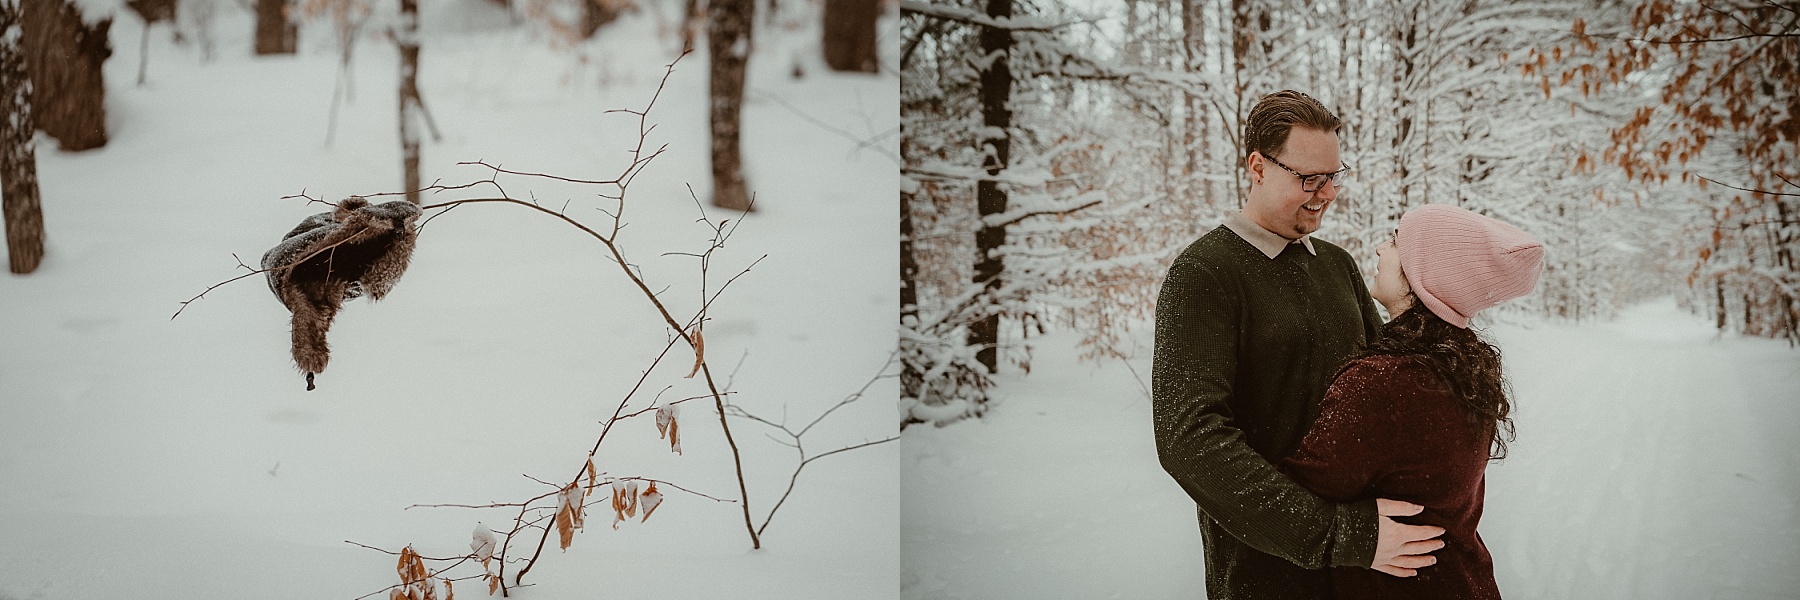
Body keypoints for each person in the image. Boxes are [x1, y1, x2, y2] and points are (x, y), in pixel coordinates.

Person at [1152, 90, 1446, 599]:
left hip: (1362, 574)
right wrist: (1337, 533)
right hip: (1266, 574)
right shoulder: (1204, 274)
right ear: (1258, 167)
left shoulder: (1336, 266)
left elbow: (1388, 390)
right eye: (1309, 178)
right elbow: (1189, 441)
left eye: (1334, 176)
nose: (1327, 193)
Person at [1278, 203, 1545, 599]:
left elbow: (1293, 501)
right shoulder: (1461, 367)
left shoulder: (1385, 382)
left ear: (1424, 275)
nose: (1379, 250)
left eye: (1396, 242)